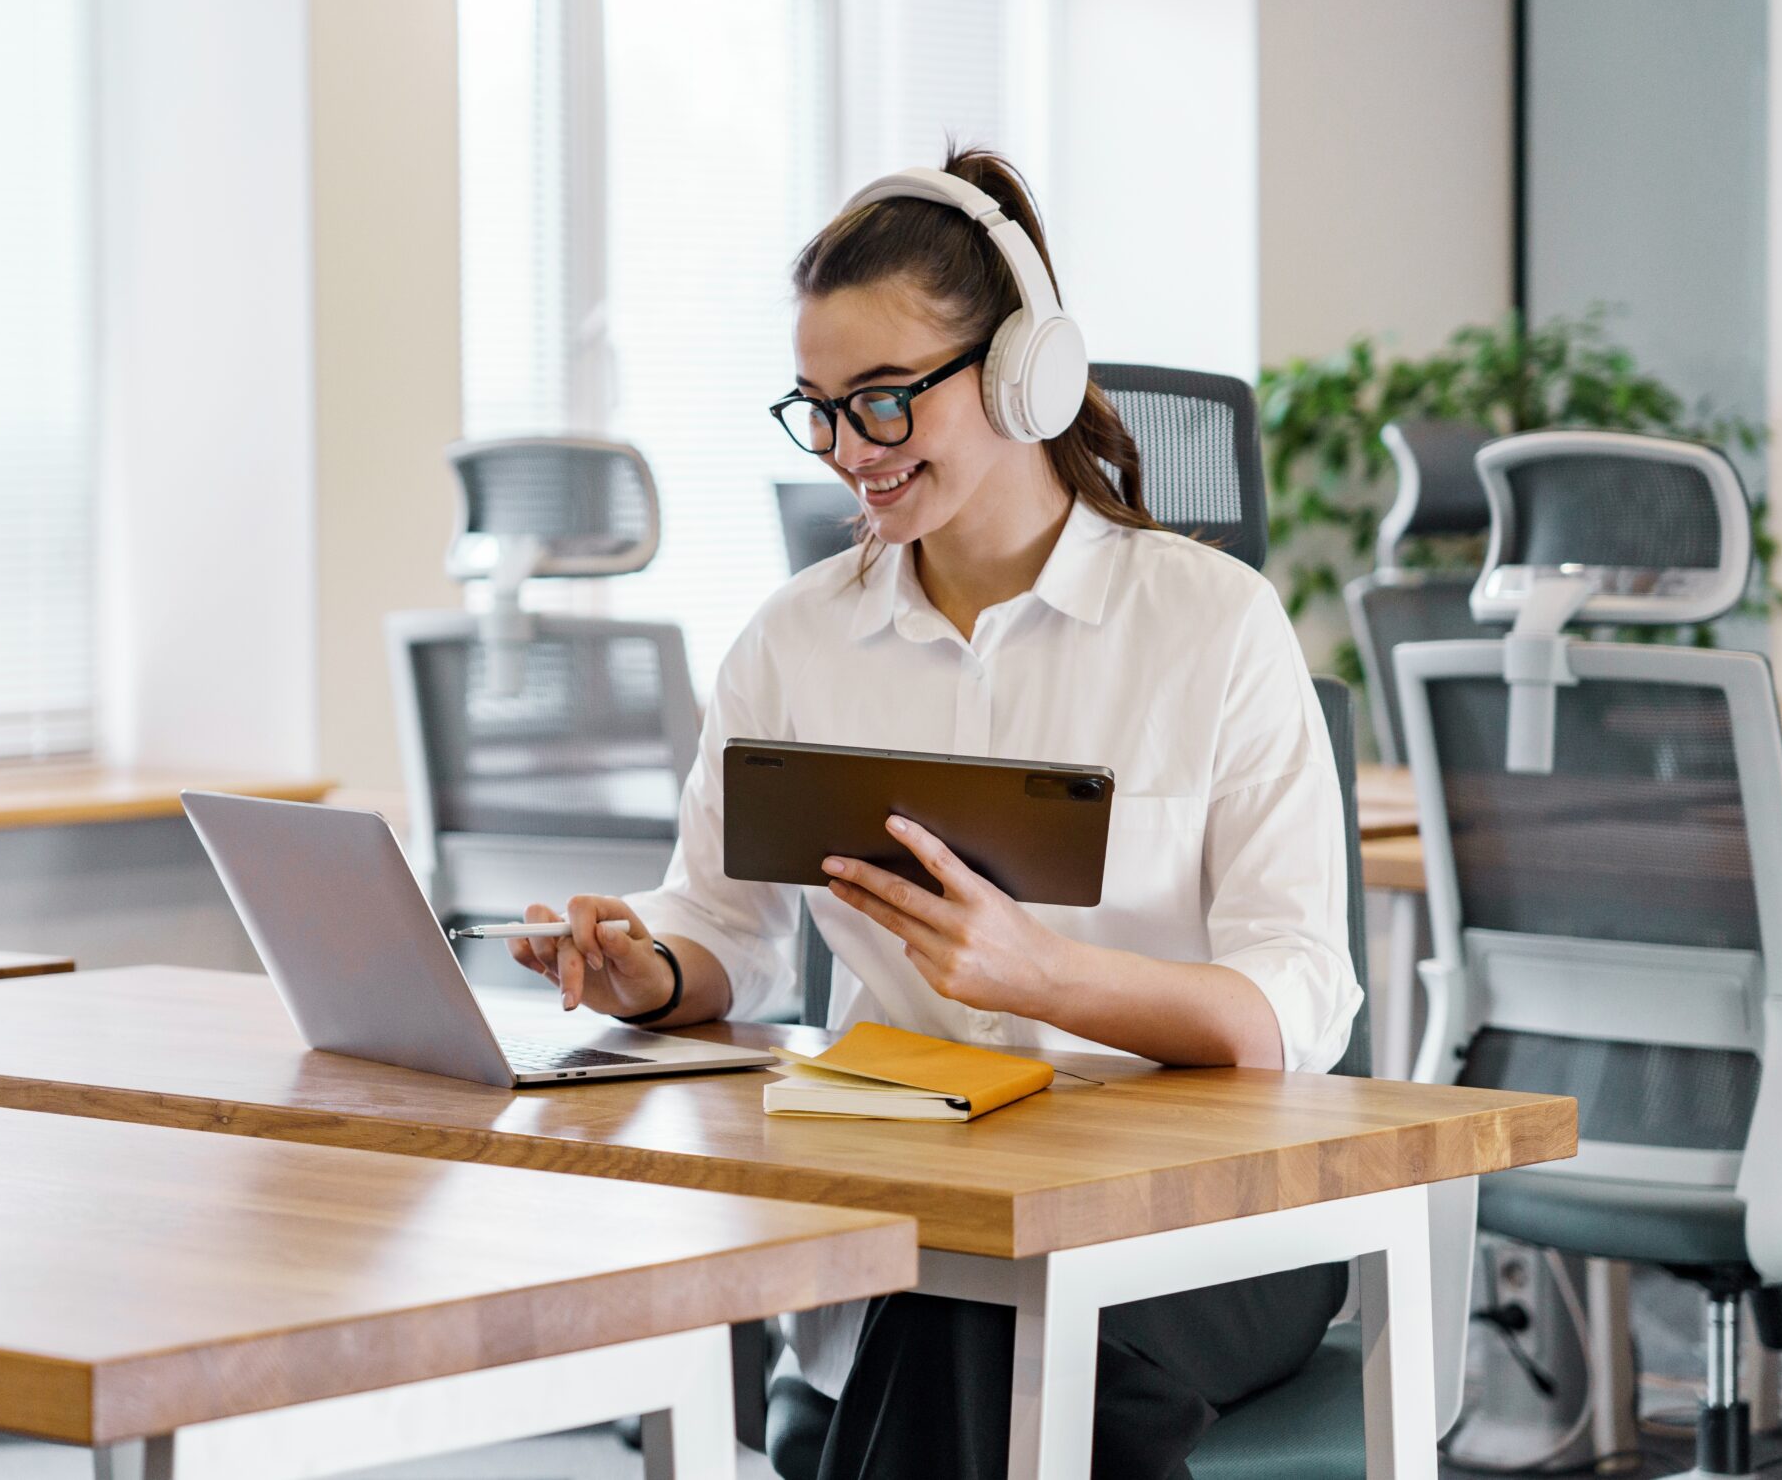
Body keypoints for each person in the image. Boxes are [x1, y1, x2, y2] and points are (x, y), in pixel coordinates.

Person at [508, 146, 1361, 1480]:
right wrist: (649, 965)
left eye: (887, 402)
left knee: (982, 1327)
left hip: (1201, 1220)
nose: (852, 450)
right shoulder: (800, 639)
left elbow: (1296, 1002)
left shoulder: (1212, 625)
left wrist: (1050, 977)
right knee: (973, 1313)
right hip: (913, 1209)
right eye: (822, 410)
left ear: (1024, 374)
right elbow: (720, 919)